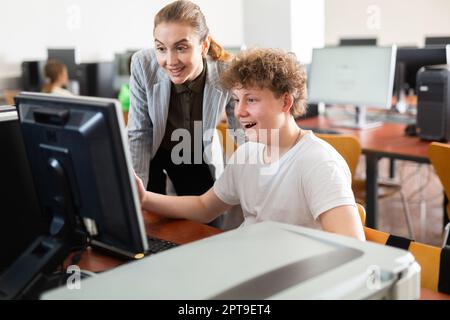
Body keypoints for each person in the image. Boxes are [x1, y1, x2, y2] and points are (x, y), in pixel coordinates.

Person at [134, 47, 365, 240]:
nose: (239, 111)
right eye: (236, 100)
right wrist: (144, 198)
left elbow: (353, 246)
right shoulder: (247, 155)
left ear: (285, 101)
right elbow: (204, 207)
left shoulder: (319, 163)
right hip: (250, 264)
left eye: (251, 100)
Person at [128, 0, 241, 228]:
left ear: (204, 44)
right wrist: (134, 191)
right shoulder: (142, 64)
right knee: (152, 225)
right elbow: (140, 132)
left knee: (207, 226)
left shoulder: (227, 71)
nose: (170, 61)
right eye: (161, 48)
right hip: (154, 154)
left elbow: (243, 131)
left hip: (196, 154)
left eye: (181, 47)